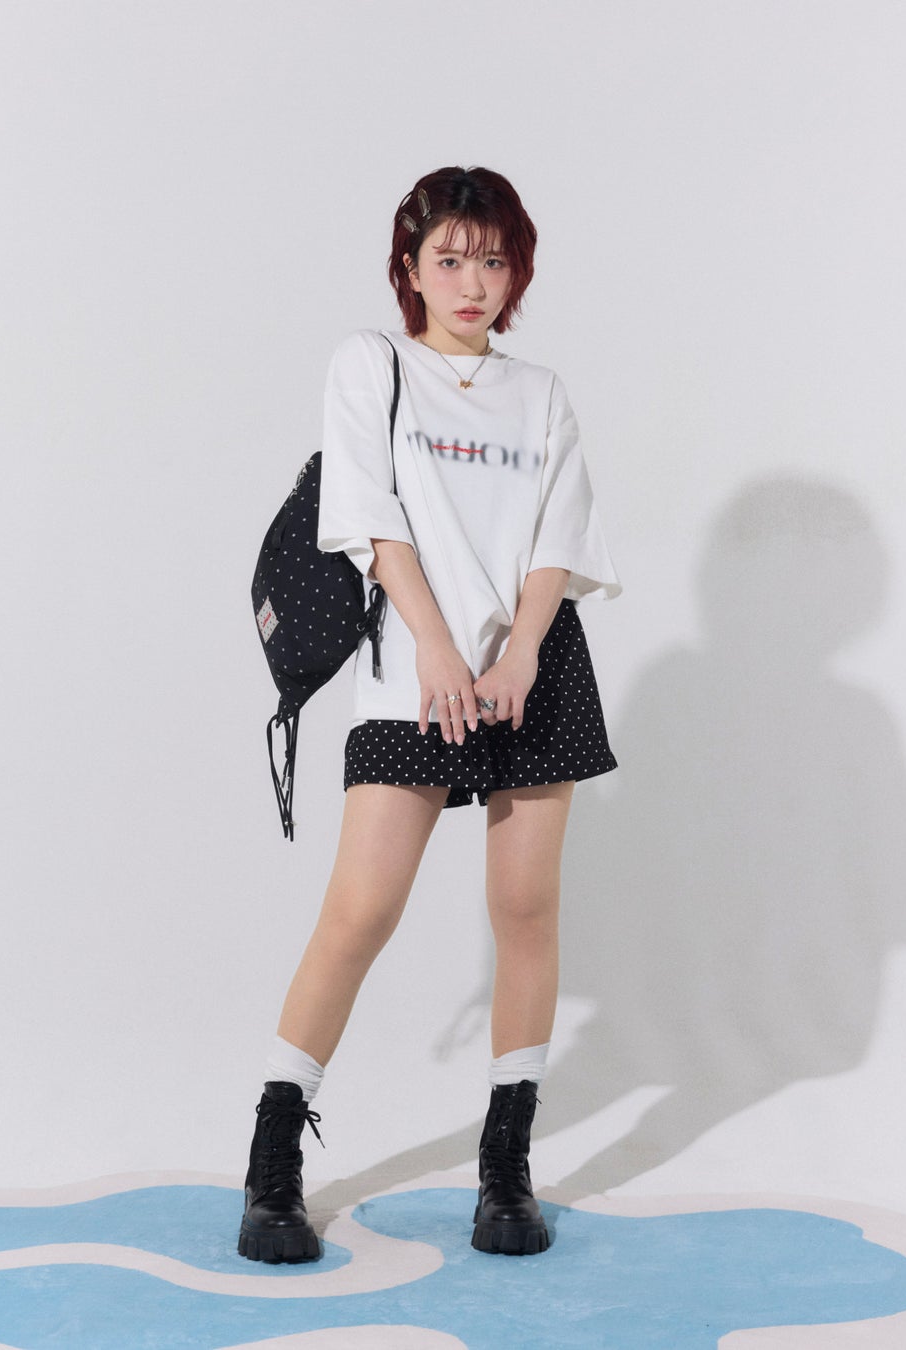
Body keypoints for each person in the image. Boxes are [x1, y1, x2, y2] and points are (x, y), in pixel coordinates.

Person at [238, 165, 621, 1264]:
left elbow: (556, 539)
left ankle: (505, 1168)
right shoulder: (373, 364)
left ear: (517, 272)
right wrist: (441, 650)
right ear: (408, 267)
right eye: (448, 258)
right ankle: (272, 1160)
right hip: (415, 666)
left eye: (492, 260)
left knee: (525, 910)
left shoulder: (539, 393)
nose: (471, 282)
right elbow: (367, 514)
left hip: (532, 668)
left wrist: (522, 654)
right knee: (360, 912)